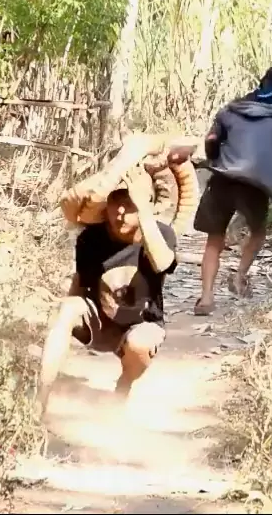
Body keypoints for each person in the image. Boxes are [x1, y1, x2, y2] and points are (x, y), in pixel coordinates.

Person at [37, 167, 178, 416]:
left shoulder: (162, 233)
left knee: (140, 343)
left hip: (141, 324)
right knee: (66, 308)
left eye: (129, 204)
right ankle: (40, 400)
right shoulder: (91, 238)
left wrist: (144, 212)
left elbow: (162, 263)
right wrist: (64, 321)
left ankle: (124, 387)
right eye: (115, 203)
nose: (120, 212)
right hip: (99, 323)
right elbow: (80, 283)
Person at [193, 65, 272, 316]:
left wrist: (215, 160)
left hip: (223, 179)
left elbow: (211, 140)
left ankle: (206, 298)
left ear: (263, 81)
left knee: (214, 238)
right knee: (258, 232)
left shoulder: (231, 109)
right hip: (255, 185)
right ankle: (239, 277)